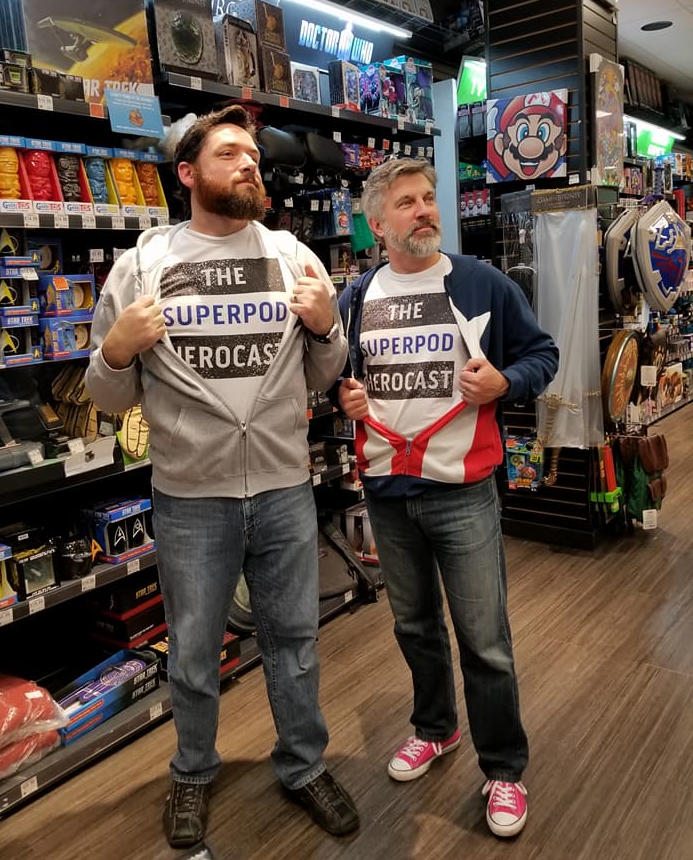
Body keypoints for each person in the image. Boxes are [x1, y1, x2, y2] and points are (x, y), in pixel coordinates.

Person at [85, 105, 359, 849]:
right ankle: (193, 770)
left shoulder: (293, 256)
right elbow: (106, 397)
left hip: (283, 488)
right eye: (230, 154)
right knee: (194, 651)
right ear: (187, 173)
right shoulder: (142, 265)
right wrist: (115, 349)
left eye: (253, 157)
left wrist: (327, 327)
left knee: (295, 640)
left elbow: (324, 375)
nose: (249, 165)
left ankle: (304, 765)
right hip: (190, 499)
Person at [334, 157, 558, 838]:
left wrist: (505, 384)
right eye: (407, 202)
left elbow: (542, 355)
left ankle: (504, 770)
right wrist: (342, 397)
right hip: (386, 492)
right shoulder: (355, 298)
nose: (425, 210)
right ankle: (435, 729)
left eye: (429, 198)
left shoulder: (482, 283)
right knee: (414, 627)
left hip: (463, 491)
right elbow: (337, 376)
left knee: (484, 640)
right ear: (377, 224)